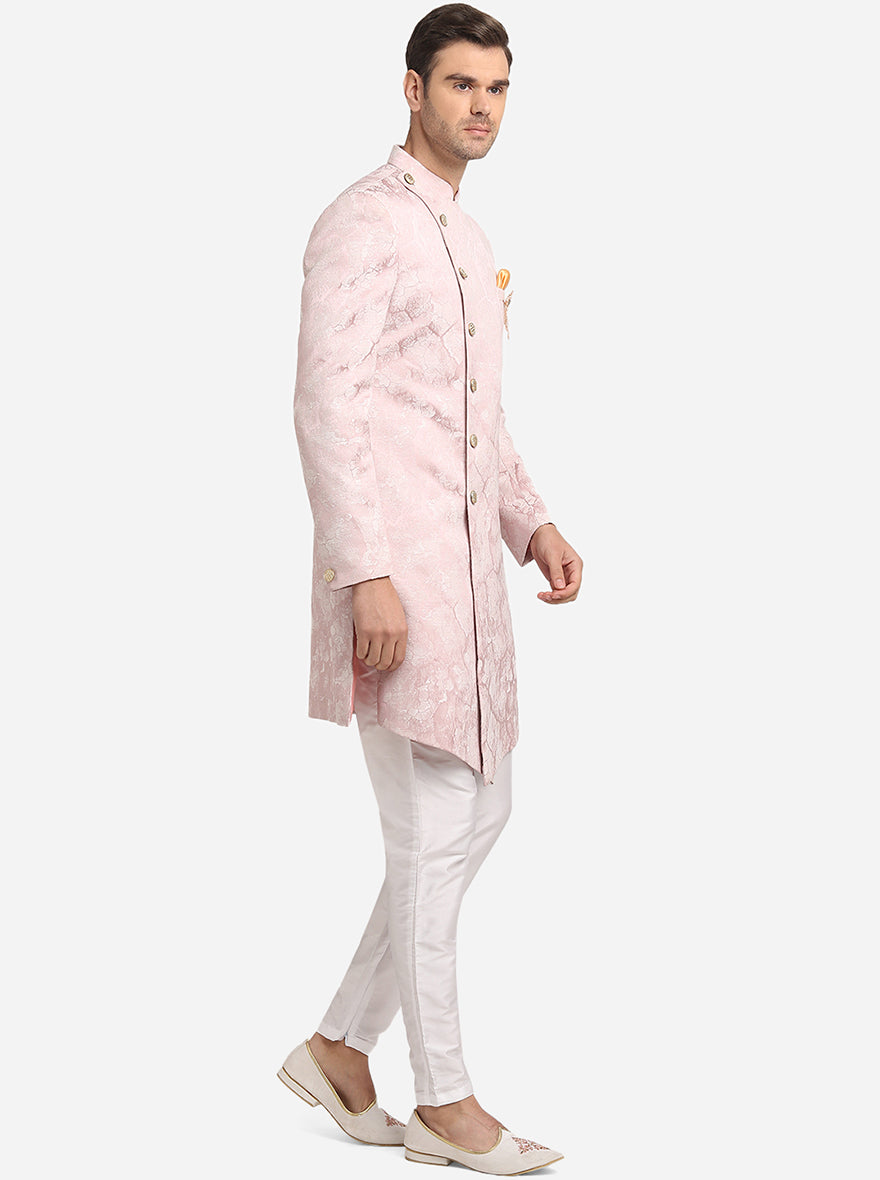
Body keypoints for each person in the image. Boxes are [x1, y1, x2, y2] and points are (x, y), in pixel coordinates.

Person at [278, 5, 581, 1173]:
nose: (481, 107)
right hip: (396, 586)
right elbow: (325, 405)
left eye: (496, 88)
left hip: (467, 591)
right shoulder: (362, 220)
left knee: (471, 816)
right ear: (412, 90)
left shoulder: (466, 232)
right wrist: (364, 573)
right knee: (435, 828)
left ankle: (338, 1047)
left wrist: (531, 519)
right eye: (460, 84)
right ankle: (444, 1101)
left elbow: (474, 420)